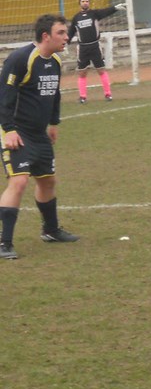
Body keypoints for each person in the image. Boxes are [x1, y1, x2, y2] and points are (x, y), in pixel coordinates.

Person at [0, 14, 80, 260]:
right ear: (46, 36)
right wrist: (9, 129)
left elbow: (54, 94)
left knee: (47, 181)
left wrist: (53, 123)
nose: (66, 37)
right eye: (61, 33)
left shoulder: (54, 61)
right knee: (19, 182)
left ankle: (51, 231)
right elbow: (4, 95)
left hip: (39, 134)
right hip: (17, 131)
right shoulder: (21, 58)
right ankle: (4, 243)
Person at [68, 0, 126, 102]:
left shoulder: (94, 14)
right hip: (83, 48)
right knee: (82, 73)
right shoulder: (76, 18)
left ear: (89, 3)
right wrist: (65, 43)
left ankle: (108, 94)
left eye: (87, 1)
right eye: (83, 1)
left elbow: (106, 11)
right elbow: (71, 32)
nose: (85, 3)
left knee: (101, 70)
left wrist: (115, 8)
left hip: (95, 46)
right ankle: (82, 97)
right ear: (79, 3)